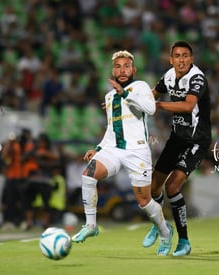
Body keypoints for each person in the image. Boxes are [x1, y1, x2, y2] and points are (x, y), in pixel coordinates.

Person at [71, 50, 173, 256]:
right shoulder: (109, 96)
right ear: (113, 70)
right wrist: (98, 148)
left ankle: (165, 231)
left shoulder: (141, 87)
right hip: (114, 149)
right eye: (118, 66)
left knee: (144, 202)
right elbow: (112, 128)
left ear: (133, 69)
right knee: (88, 176)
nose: (122, 70)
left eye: (126, 66)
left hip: (137, 150)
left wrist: (124, 93)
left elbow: (150, 108)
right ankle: (91, 225)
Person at [142, 41, 212, 257]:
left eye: (185, 56)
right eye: (177, 56)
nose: (181, 60)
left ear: (191, 58)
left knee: (172, 186)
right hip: (177, 138)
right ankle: (162, 226)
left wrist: (159, 106)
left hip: (196, 141)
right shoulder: (169, 76)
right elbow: (151, 95)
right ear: (171, 59)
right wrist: (123, 102)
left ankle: (184, 241)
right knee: (153, 188)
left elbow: (188, 105)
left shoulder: (197, 78)